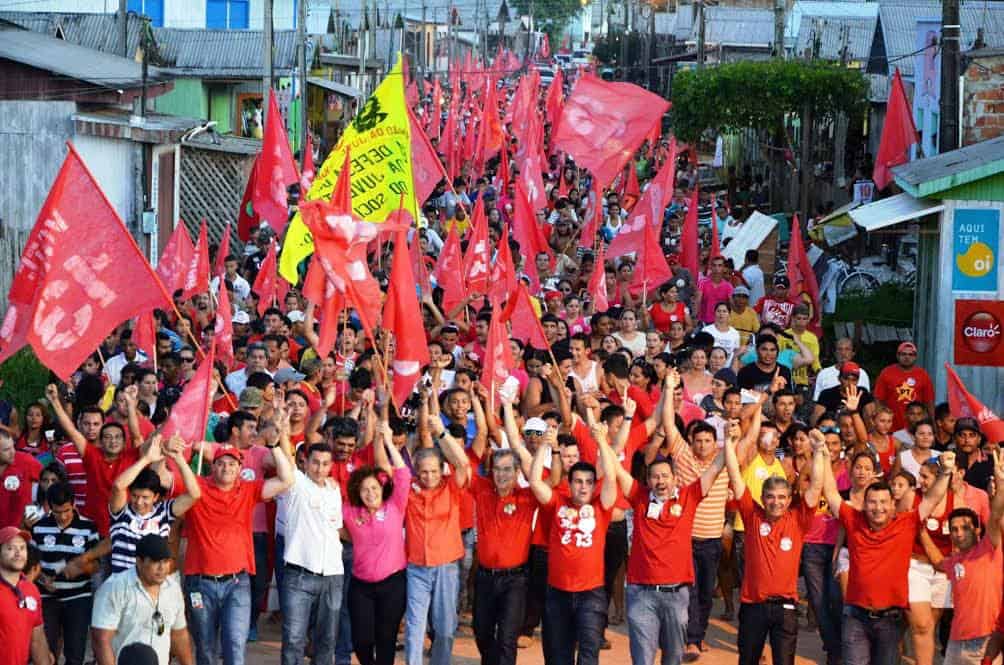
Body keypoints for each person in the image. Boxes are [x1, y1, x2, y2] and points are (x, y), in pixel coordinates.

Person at [822, 446, 956, 665]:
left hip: (890, 620)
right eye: (872, 502)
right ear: (864, 505)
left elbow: (932, 499)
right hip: (855, 617)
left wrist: (946, 472)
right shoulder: (853, 520)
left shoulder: (906, 523)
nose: (878, 508)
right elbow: (830, 493)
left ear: (894, 505)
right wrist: (822, 454)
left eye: (884, 502)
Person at [612, 421, 726, 665]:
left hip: (676, 594)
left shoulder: (689, 496)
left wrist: (732, 442)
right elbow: (616, 469)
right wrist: (602, 439)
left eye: (665, 476)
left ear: (675, 479)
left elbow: (716, 468)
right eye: (655, 477)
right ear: (648, 480)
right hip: (641, 593)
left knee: (673, 657)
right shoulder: (639, 496)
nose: (660, 481)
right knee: (642, 659)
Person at [182, 437, 294, 665]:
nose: (226, 468)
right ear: (212, 466)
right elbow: (165, 479)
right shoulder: (196, 487)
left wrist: (274, 445)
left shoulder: (248, 490)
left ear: (240, 469)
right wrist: (173, 454)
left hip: (237, 583)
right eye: (221, 463)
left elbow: (287, 479)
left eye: (232, 464)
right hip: (199, 584)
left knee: (235, 645)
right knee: (205, 648)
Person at [725, 427, 825, 665]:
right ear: (762, 496)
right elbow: (735, 476)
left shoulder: (798, 519)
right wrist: (729, 443)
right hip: (753, 606)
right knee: (747, 660)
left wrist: (819, 450)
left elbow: (816, 485)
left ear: (789, 500)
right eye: (770, 496)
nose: (776, 502)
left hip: (786, 607)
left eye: (782, 497)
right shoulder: (752, 515)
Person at [530, 418, 618, 665]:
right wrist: (544, 447)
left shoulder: (602, 507)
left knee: (589, 655)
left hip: (591, 594)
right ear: (569, 484)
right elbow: (536, 481)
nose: (583, 487)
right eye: (578, 481)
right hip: (557, 593)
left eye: (589, 482)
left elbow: (611, 478)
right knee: (559, 657)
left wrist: (601, 440)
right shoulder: (556, 503)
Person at [921, 449, 1004, 664]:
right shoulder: (954, 561)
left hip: (986, 640)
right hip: (956, 641)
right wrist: (920, 531)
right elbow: (938, 562)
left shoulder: (990, 549)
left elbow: (995, 517)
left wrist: (1001, 484)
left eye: (965, 528)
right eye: (954, 529)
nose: (959, 533)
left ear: (977, 530)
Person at [403, 416, 471, 665]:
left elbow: (462, 462)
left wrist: (442, 433)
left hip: (446, 567)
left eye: (433, 470)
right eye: (423, 471)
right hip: (416, 567)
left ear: (441, 469)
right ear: (416, 471)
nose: (429, 476)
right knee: (414, 626)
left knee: (444, 628)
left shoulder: (451, 486)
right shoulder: (408, 488)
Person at [344, 423, 411, 665]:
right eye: (364, 490)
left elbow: (403, 473)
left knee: (386, 639)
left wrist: (390, 443)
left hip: (393, 584)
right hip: (360, 586)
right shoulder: (350, 512)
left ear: (382, 489)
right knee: (361, 640)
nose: (370, 493)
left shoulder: (395, 506)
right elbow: (335, 527)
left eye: (374, 488)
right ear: (357, 493)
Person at [280, 441, 344, 665]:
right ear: (305, 462)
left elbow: (337, 528)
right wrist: (282, 427)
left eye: (325, 464)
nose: (319, 468)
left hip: (333, 575)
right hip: (299, 575)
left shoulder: (335, 490)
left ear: (331, 466)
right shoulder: (296, 484)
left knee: (327, 640)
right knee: (293, 640)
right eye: (315, 462)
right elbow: (286, 458)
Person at [91, 534, 193, 665]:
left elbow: (179, 635)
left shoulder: (173, 589)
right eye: (155, 561)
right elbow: (101, 639)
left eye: (166, 561)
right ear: (139, 561)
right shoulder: (114, 588)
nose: (162, 568)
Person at [108, 434, 201, 574]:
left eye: (145, 497)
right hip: (122, 585)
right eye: (134, 496)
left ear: (156, 497)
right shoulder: (121, 511)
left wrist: (178, 458)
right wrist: (147, 459)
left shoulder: (164, 512)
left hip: (153, 584)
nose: (139, 502)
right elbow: (118, 486)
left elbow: (194, 494)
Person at [31, 483, 102, 665]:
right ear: (50, 507)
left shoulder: (88, 527)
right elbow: (30, 563)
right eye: (57, 512)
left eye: (67, 511)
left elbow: (97, 565)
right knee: (46, 653)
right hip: (46, 598)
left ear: (74, 504)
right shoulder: (38, 527)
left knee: (75, 653)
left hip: (79, 598)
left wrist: (80, 567)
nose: (62, 516)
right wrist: (41, 578)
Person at [0, 525, 51, 665]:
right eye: (10, 548)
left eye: (22, 548)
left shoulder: (31, 590)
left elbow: (38, 639)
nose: (18, 553)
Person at [873, 341, 935, 431]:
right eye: (904, 354)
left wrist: (932, 423)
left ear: (915, 357)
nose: (907, 357)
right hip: (892, 427)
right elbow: (878, 400)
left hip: (916, 429)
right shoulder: (886, 373)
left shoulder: (923, 375)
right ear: (898, 356)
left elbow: (929, 402)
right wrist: (881, 421)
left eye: (911, 354)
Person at [0, 430, 42, 529]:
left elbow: (52, 480)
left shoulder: (25, 460)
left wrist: (43, 511)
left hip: (21, 534)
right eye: (6, 450)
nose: (13, 452)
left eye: (13, 446)